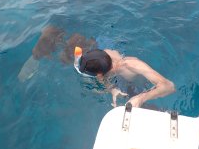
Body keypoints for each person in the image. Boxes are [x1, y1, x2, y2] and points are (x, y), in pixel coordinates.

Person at [18, 26, 175, 108]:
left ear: (99, 75)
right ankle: (38, 53)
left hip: (136, 86)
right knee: (66, 51)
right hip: (113, 72)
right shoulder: (101, 55)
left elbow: (169, 86)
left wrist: (140, 98)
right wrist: (112, 89)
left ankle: (38, 54)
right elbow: (105, 77)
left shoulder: (132, 65)